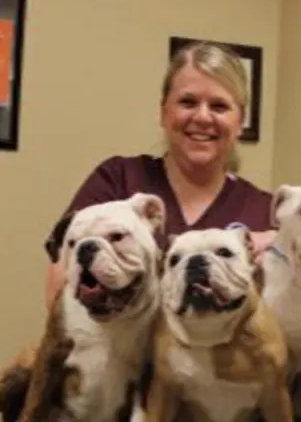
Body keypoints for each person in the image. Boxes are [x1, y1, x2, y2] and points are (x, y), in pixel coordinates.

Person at [44, 40, 277, 310]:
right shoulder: (118, 181)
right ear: (164, 112)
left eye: (219, 106)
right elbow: (59, 291)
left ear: (240, 122)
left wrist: (282, 250)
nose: (202, 117)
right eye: (188, 102)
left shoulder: (263, 212)